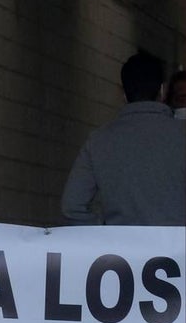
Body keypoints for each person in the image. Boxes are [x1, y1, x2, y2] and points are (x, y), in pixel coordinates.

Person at [60, 52, 186, 226]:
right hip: (179, 251)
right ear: (163, 90)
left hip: (122, 250)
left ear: (124, 94)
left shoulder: (98, 140)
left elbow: (72, 206)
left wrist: (107, 235)